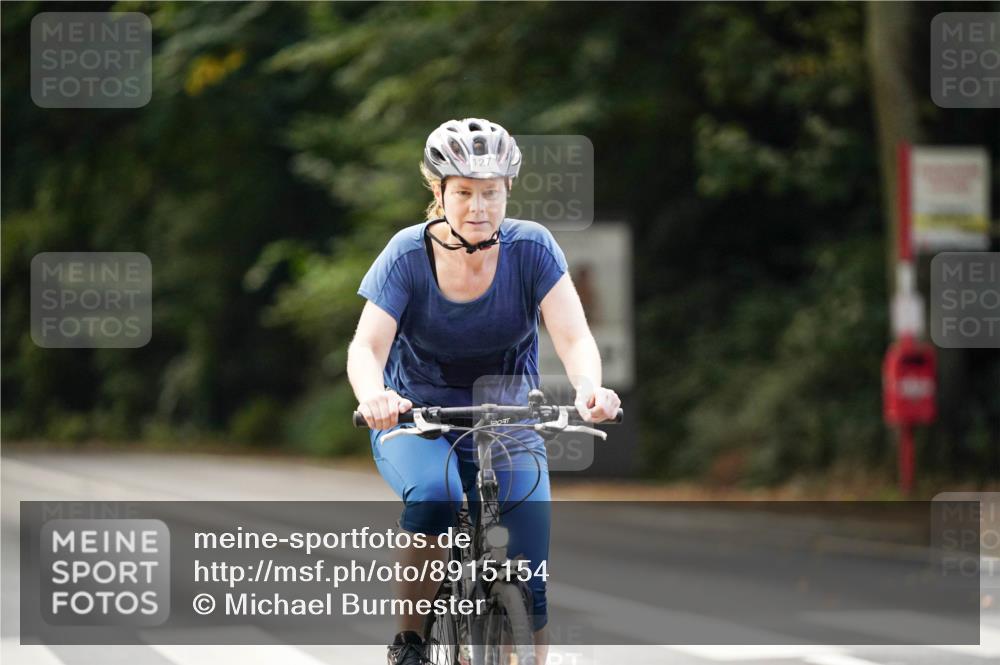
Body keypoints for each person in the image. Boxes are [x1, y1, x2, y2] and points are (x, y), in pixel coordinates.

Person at [347, 117, 621, 665]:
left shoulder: (532, 249)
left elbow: (572, 335)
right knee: (436, 498)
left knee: (530, 578)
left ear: (507, 192)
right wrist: (375, 395)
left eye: (490, 193)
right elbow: (367, 347)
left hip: (508, 421)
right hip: (417, 420)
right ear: (439, 192)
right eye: (465, 192)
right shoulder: (406, 255)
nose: (478, 207)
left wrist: (591, 387)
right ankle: (411, 643)